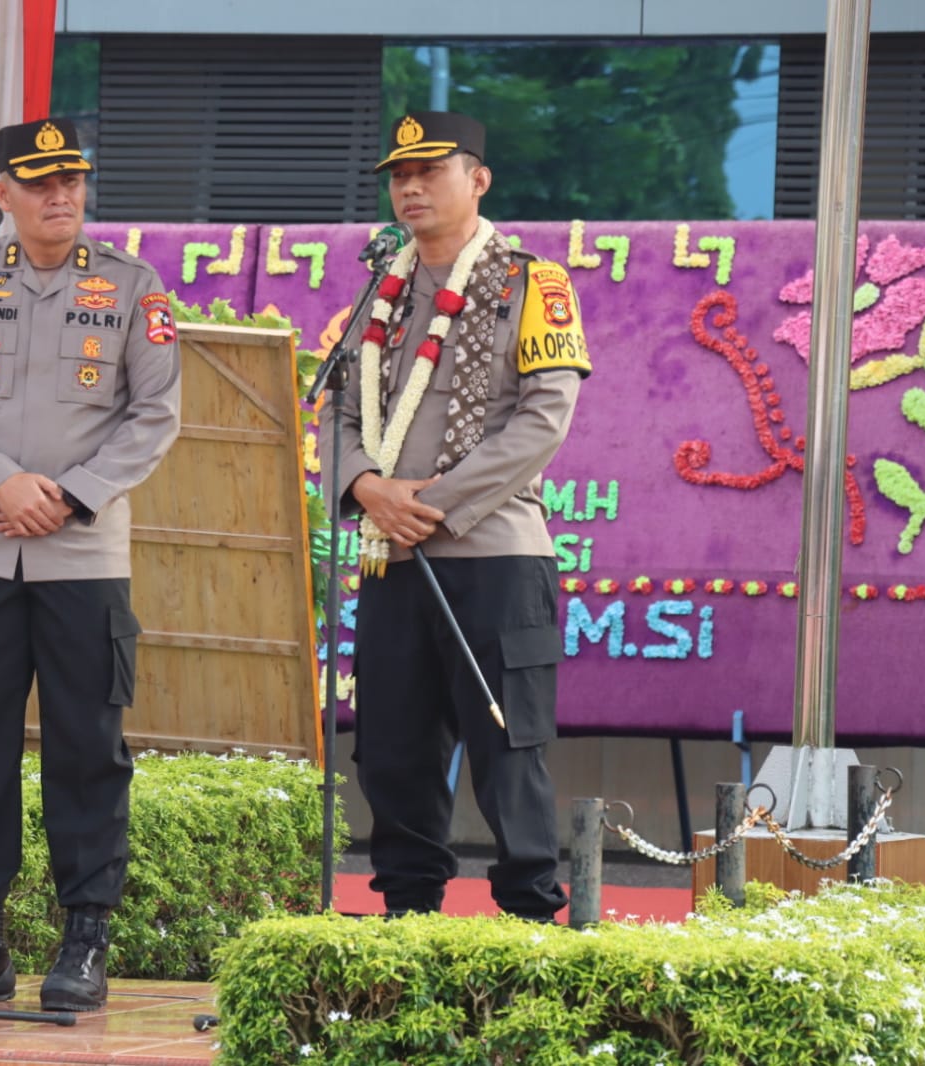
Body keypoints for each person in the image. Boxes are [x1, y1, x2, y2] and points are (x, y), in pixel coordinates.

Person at [0, 116, 182, 1011]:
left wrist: (66, 494)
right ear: (2, 196)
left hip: (83, 555)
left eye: (71, 180)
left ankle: (84, 943)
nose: (60, 195)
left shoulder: (131, 288)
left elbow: (155, 414)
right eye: (39, 182)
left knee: (87, 749)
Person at [319, 111, 592, 922]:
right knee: (392, 748)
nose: (410, 188)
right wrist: (369, 488)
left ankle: (530, 915)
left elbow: (542, 419)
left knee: (507, 747)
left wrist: (426, 506)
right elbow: (333, 414)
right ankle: (407, 911)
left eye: (430, 172)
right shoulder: (379, 289)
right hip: (390, 556)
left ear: (477, 180)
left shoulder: (529, 283)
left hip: (495, 554)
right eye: (399, 176)